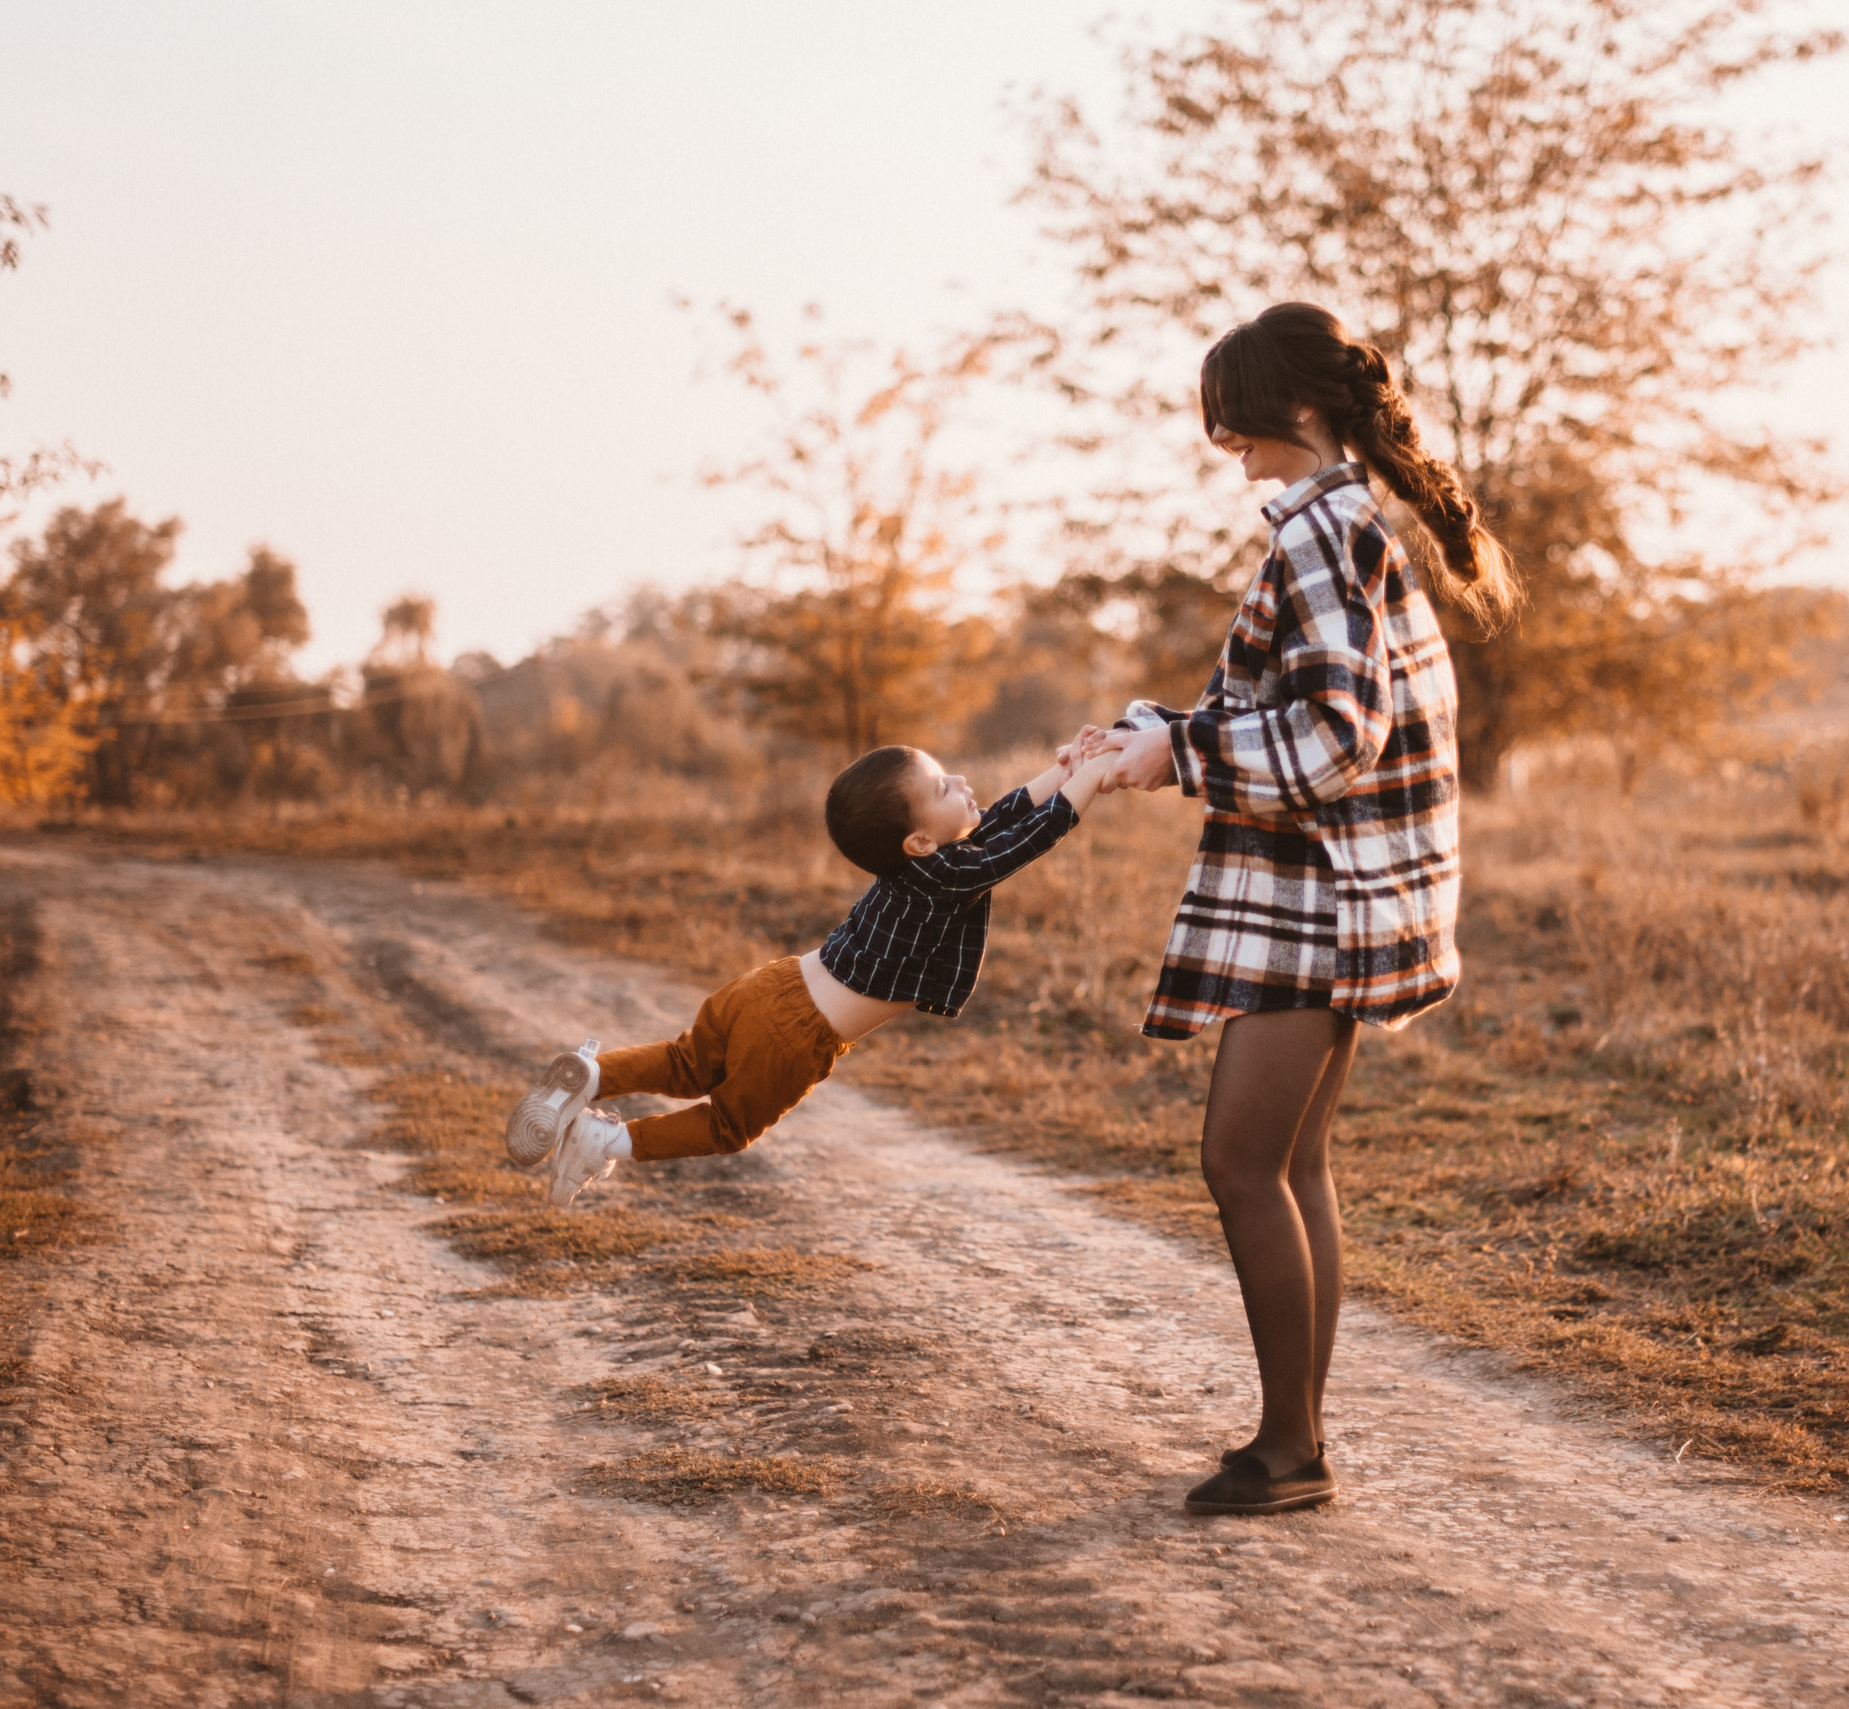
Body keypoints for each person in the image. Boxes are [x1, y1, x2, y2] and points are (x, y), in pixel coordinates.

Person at [1090, 302, 1520, 1517]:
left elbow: (1336, 735)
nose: (1223, 438)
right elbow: (1306, 709)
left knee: (1239, 1158)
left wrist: (1179, 758)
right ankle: (1298, 1438)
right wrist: (1159, 734)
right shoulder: (1345, 523)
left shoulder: (1321, 533)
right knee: (1289, 1160)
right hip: (1333, 891)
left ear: (1294, 408)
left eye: (1232, 414)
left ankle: (1290, 1450)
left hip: (1316, 897)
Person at [506, 740, 1112, 1201]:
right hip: (795, 1037)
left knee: (686, 1061)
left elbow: (1004, 816)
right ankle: (604, 1141)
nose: (960, 781)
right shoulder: (948, 877)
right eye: (943, 787)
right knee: (727, 1126)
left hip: (770, 984)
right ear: (920, 840)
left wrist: (1066, 770)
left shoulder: (931, 865)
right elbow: (1028, 839)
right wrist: (1089, 778)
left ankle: (593, 1070)